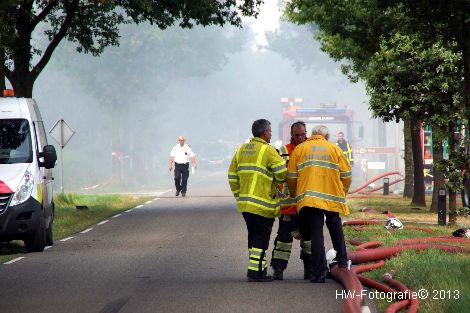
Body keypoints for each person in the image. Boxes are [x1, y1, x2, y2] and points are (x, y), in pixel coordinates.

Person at [287, 125, 352, 283]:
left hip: (309, 198)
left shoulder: (300, 149)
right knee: (335, 226)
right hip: (331, 197)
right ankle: (343, 261)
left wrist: (296, 193)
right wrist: (342, 191)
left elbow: (291, 177)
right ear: (326, 136)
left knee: (316, 234)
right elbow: (347, 174)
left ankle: (319, 274)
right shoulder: (334, 149)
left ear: (312, 135)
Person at [228, 119, 287, 282]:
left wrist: (239, 196)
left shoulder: (241, 149)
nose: (271, 134)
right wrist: (280, 182)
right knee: (261, 238)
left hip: (246, 205)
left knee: (253, 238)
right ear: (265, 133)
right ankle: (255, 273)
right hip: (262, 205)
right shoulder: (268, 151)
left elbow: (232, 176)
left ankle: (259, 269)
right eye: (270, 131)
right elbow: (282, 173)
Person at [270, 121, 313, 280]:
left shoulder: (311, 150)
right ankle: (278, 269)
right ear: (291, 135)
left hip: (307, 205)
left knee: (308, 240)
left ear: (306, 133)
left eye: (302, 134)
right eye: (297, 135)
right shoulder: (282, 152)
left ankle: (309, 270)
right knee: (283, 240)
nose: (300, 137)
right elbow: (276, 176)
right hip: (288, 206)